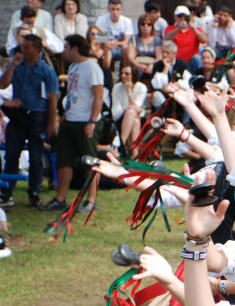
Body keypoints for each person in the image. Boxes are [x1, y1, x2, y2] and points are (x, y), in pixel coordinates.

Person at [41, 34, 102, 213]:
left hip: (86, 121)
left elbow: (98, 95)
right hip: (70, 120)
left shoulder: (92, 67)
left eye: (66, 47)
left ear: (75, 48)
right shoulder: (73, 67)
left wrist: (92, 120)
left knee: (89, 162)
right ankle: (60, 199)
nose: (64, 51)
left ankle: (91, 201)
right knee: (64, 160)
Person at [0, 33, 58, 209]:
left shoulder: (46, 70)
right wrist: (12, 66)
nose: (23, 50)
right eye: (22, 47)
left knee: (35, 155)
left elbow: (52, 97)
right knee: (11, 153)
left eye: (27, 47)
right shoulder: (18, 65)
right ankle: (7, 191)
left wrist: (51, 122)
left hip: (37, 115)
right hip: (19, 114)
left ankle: (34, 192)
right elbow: (3, 84)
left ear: (37, 49)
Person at [111, 65, 148, 155]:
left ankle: (122, 146)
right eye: (121, 73)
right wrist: (129, 110)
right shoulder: (117, 87)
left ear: (134, 75)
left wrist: (129, 91)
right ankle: (132, 151)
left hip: (138, 119)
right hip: (120, 118)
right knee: (132, 113)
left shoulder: (141, 87)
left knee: (134, 117)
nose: (123, 76)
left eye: (127, 74)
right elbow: (115, 112)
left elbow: (137, 107)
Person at [164, 5, 207, 71]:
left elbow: (204, 40)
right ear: (175, 17)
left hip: (191, 62)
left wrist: (193, 28)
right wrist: (178, 28)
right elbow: (167, 38)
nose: (183, 19)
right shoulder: (170, 28)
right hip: (176, 62)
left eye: (185, 17)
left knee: (197, 58)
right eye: (180, 16)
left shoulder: (196, 29)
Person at [94, 0, 133, 64]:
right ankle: (106, 72)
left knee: (126, 48)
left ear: (121, 10)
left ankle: (125, 71)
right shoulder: (101, 20)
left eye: (118, 9)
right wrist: (108, 43)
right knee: (107, 52)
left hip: (121, 48)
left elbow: (126, 40)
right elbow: (99, 38)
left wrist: (115, 44)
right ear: (108, 9)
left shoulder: (127, 21)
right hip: (107, 47)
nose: (115, 12)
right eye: (113, 9)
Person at [131, 13, 163, 81]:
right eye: (143, 24)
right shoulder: (134, 39)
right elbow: (131, 57)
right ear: (139, 26)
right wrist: (138, 66)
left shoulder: (157, 39)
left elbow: (159, 57)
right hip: (138, 65)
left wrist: (152, 66)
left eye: (149, 24)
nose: (146, 26)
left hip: (152, 65)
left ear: (152, 27)